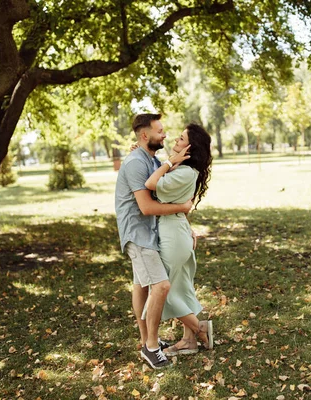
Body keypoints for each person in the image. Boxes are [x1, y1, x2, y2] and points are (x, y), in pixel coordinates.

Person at [115, 113, 192, 369]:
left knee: (142, 285)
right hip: (138, 234)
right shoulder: (137, 163)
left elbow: (160, 181)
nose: (165, 135)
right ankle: (150, 347)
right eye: (160, 131)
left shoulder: (150, 158)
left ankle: (147, 340)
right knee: (161, 286)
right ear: (145, 135)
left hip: (148, 232)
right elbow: (147, 207)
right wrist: (182, 207)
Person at [144, 123, 214, 356]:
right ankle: (188, 340)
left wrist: (168, 162)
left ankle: (200, 329)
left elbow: (151, 184)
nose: (175, 140)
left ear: (189, 147)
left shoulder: (184, 172)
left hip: (173, 236)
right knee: (181, 288)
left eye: (181, 138)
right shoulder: (182, 170)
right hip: (177, 231)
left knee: (166, 291)